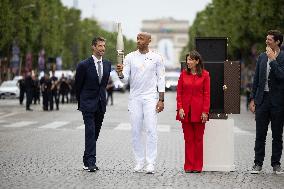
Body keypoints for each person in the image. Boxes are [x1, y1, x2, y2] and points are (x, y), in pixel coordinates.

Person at [116, 32, 165, 174]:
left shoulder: (156, 58)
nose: (138, 41)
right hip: (135, 98)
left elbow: (161, 79)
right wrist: (120, 73)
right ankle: (139, 161)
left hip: (150, 98)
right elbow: (125, 79)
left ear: (149, 41)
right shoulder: (130, 57)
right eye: (137, 38)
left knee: (151, 130)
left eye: (141, 38)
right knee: (136, 131)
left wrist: (161, 99)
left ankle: (150, 163)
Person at [249, 30, 284, 174]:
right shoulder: (262, 57)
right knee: (260, 134)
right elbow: (256, 79)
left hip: (278, 102)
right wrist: (252, 99)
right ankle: (258, 163)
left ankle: (276, 164)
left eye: (270, 39)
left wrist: (274, 60)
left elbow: (281, 76)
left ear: (277, 42)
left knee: (277, 135)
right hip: (262, 100)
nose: (267, 41)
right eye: (266, 39)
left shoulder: (282, 57)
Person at [75, 36, 111, 172]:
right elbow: (78, 86)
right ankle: (91, 162)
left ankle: (86, 159)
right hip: (87, 104)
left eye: (104, 46)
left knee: (95, 133)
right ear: (93, 47)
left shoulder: (108, 64)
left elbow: (104, 84)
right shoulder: (83, 65)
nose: (102, 48)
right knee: (90, 132)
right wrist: (82, 102)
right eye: (100, 46)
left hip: (101, 103)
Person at [176, 50, 210, 173]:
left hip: (200, 112)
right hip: (185, 112)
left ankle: (198, 166)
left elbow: (207, 94)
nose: (188, 62)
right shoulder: (183, 74)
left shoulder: (205, 75)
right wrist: (180, 107)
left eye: (191, 60)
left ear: (197, 61)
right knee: (188, 139)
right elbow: (179, 93)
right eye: (187, 60)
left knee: (198, 140)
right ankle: (189, 166)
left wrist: (205, 111)